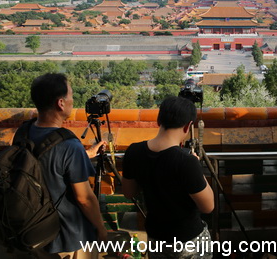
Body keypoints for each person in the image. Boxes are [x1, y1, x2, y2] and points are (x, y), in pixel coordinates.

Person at [122, 96, 214, 259]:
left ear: (159, 120)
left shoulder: (133, 152)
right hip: (188, 241)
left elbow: (129, 192)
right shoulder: (186, 162)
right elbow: (208, 206)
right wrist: (195, 166)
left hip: (156, 237)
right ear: (188, 126)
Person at [29, 73, 107, 259]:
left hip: (32, 229)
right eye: (70, 96)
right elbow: (84, 199)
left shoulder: (25, 131)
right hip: (67, 237)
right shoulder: (69, 145)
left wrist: (85, 154)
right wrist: (101, 229)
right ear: (60, 103)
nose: (73, 101)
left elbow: (46, 162)